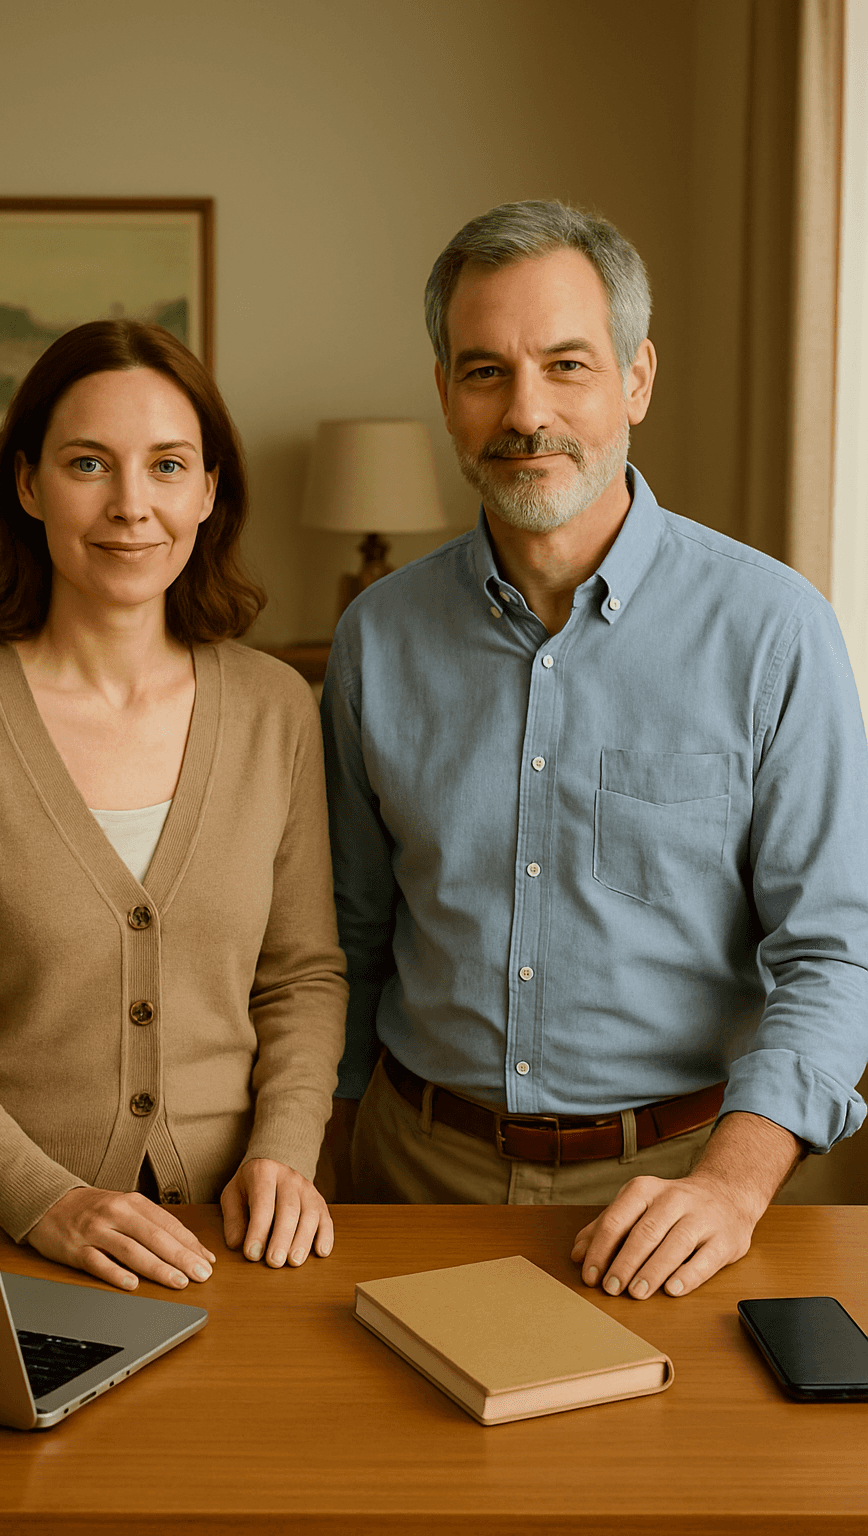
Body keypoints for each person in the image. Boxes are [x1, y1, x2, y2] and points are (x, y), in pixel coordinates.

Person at [321, 200, 868, 1300]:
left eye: (565, 364)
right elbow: (346, 937)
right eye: (484, 372)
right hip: (414, 1177)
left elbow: (835, 954)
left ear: (635, 379)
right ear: (445, 395)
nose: (526, 413)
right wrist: (322, 1156)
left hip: (689, 1188)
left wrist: (729, 1187)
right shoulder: (374, 638)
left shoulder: (774, 631)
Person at [0, 320, 347, 1293]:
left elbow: (302, 976)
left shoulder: (276, 710)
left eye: (168, 465)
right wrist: (49, 1202)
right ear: (28, 484)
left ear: (210, 490)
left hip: (242, 1235)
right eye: (90, 464)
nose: (132, 505)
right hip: (10, 1240)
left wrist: (284, 1152)